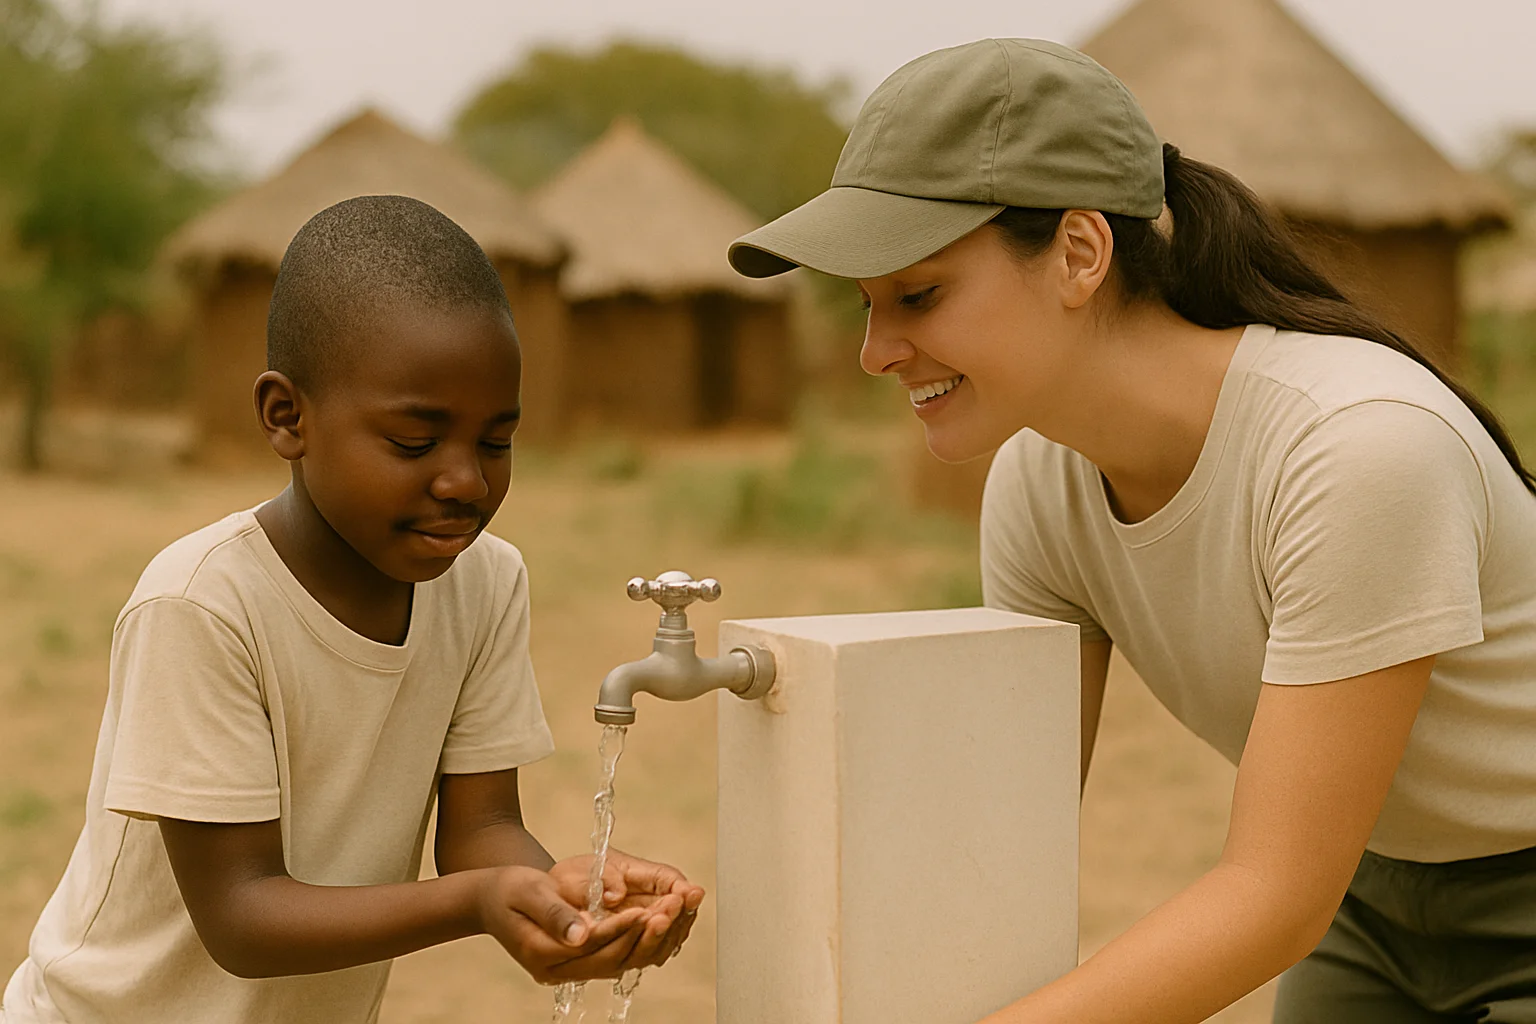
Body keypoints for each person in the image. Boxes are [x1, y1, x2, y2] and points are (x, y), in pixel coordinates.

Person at [729, 38, 1536, 1024]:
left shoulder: (1358, 450)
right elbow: (1009, 835)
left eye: (920, 293)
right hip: (1373, 895)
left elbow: (1274, 892)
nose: (875, 351)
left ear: (1078, 253)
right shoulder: (1039, 481)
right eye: (865, 305)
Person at [2, 195, 703, 1024]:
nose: (465, 483)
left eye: (495, 440)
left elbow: (482, 832)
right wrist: (480, 902)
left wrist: (569, 892)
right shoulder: (203, 603)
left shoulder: (482, 580)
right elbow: (242, 915)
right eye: (414, 442)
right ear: (287, 416)